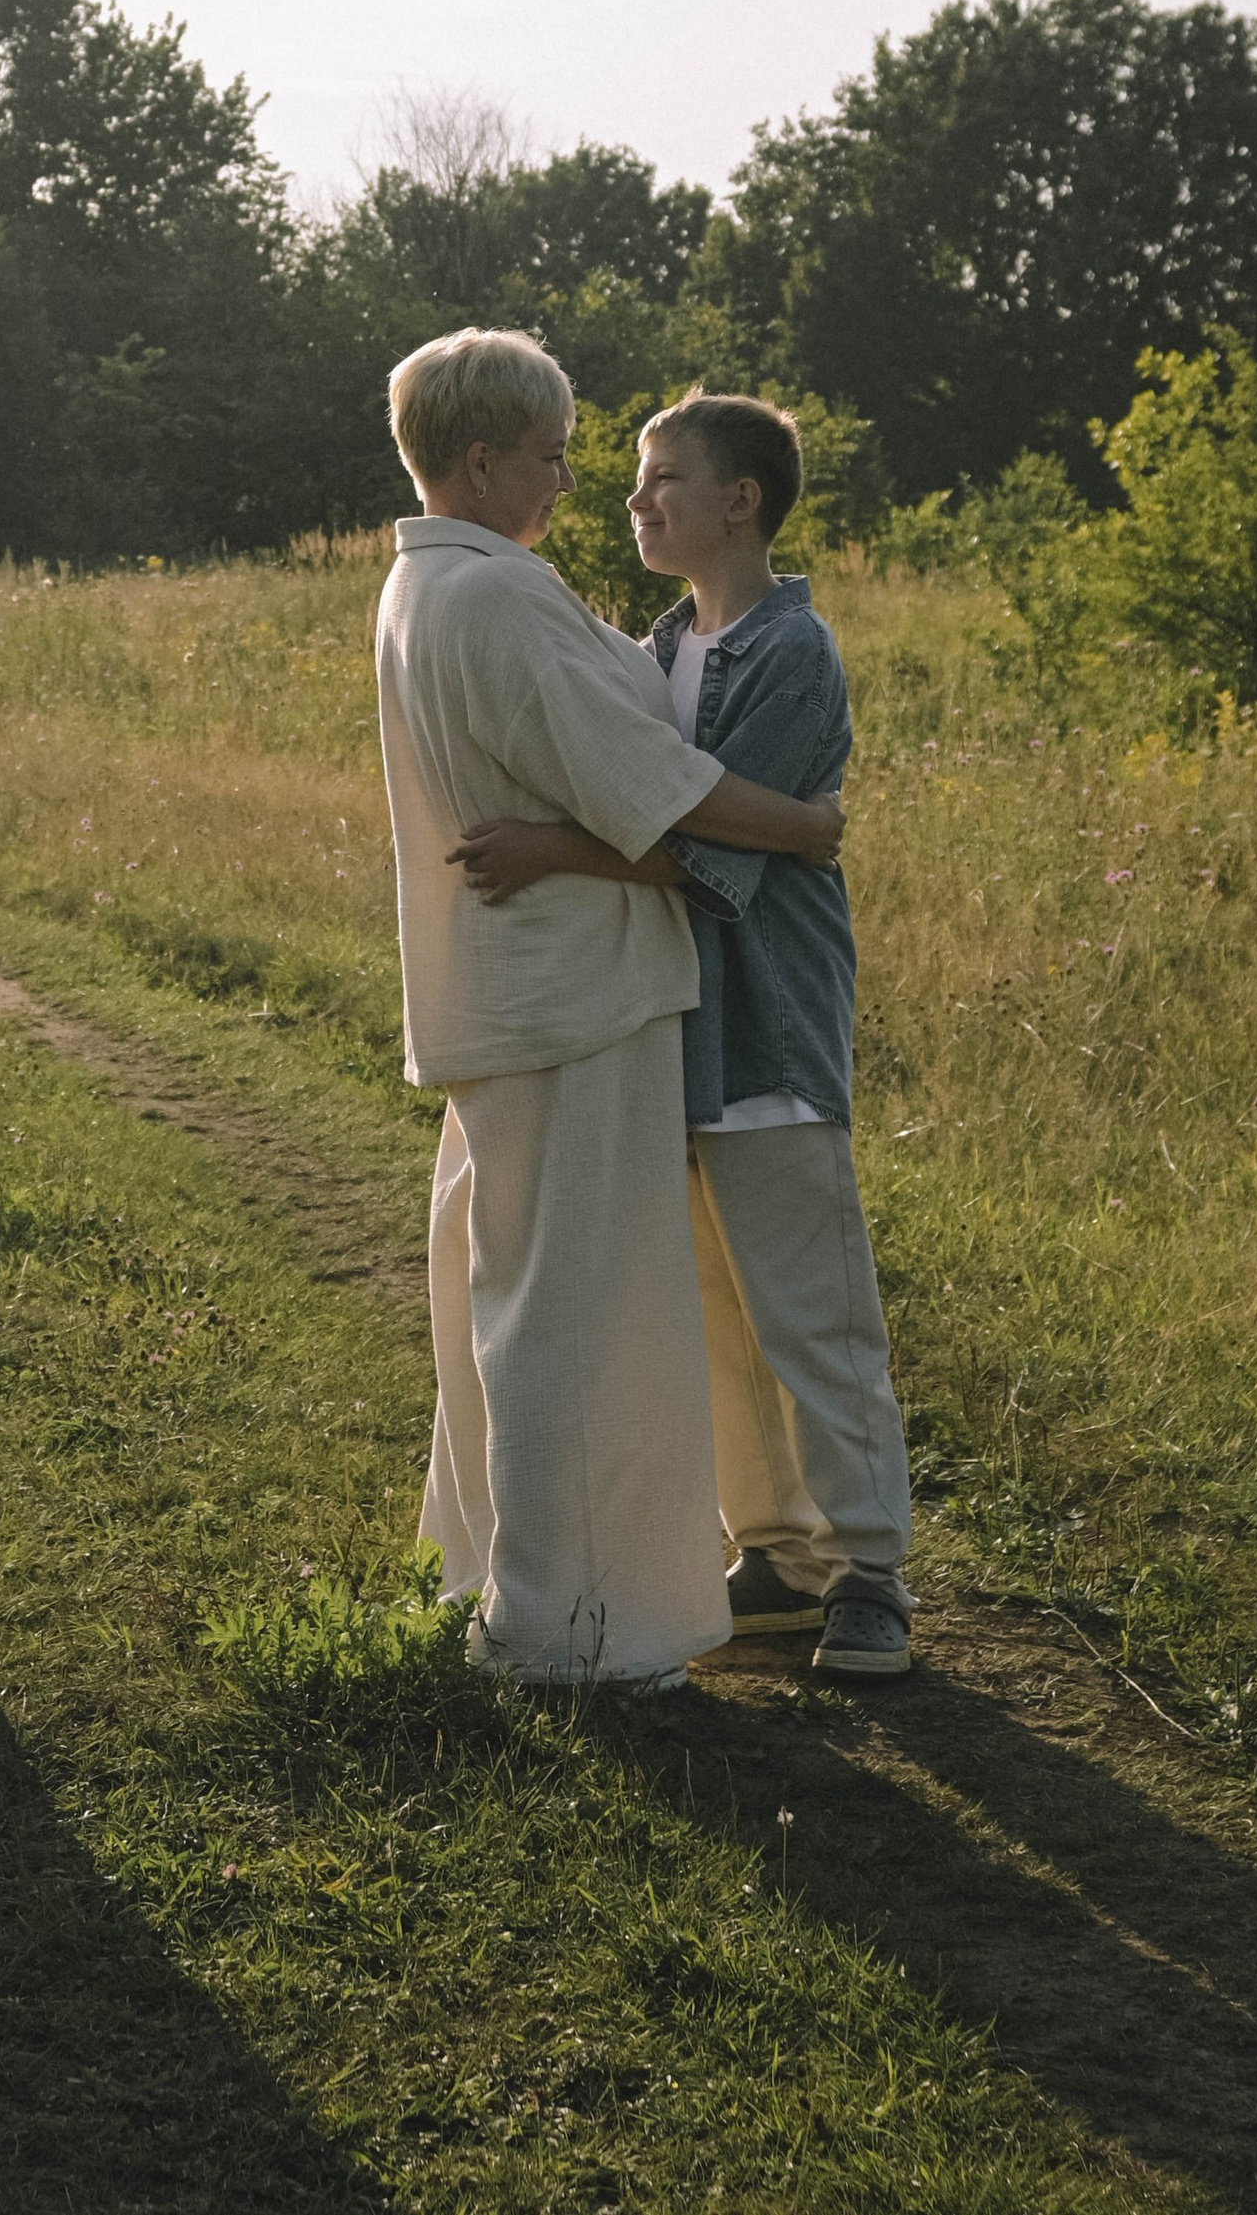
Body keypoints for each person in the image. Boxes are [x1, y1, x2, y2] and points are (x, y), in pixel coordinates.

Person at [376, 326, 850, 1690]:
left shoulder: (422, 590)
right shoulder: (499, 598)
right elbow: (658, 791)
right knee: (578, 1322)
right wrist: (802, 828)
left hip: (513, 989)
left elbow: (609, 787)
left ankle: (491, 1581)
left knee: (508, 1301)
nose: (567, 482)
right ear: (481, 457)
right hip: (573, 995)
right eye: (550, 455)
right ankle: (577, 1629)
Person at [456, 393, 915, 1680]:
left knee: (814, 1316)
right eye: (633, 480)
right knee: (716, 1314)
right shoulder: (653, 649)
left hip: (765, 1034)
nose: (635, 499)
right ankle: (771, 1548)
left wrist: (552, 850)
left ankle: (870, 1569)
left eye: (664, 479)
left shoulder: (790, 652)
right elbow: (666, 796)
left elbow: (711, 849)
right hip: (667, 1039)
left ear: (741, 501)